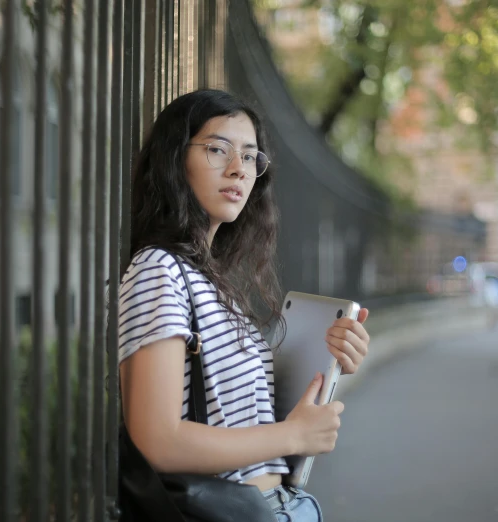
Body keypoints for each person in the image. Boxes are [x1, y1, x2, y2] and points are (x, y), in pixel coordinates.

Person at [115, 89, 371, 521]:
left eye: (251, 157)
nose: (238, 169)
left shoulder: (212, 281)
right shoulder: (159, 269)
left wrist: (328, 367)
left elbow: (238, 417)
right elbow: (158, 440)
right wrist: (291, 436)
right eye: (218, 149)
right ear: (174, 159)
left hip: (276, 506)